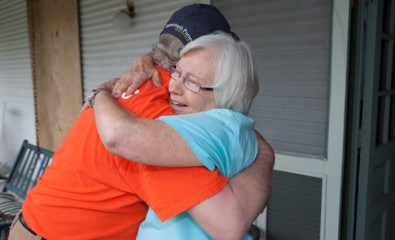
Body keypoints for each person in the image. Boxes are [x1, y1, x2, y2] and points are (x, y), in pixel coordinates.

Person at [9, 4, 274, 240]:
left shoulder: (131, 86)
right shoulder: (161, 119)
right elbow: (228, 223)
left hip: (31, 222)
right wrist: (264, 154)